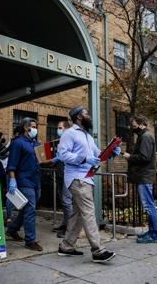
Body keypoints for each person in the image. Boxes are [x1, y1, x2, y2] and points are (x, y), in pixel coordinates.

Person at [57, 106, 118, 262]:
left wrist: (110, 152)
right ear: (78, 117)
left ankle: (66, 246)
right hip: (77, 178)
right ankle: (98, 251)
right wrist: (84, 159)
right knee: (89, 213)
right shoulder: (69, 134)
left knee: (77, 215)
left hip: (86, 178)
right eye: (86, 114)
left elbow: (98, 155)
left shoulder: (88, 136)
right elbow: (62, 155)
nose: (89, 116)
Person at [6, 118, 44, 251]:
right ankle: (30, 240)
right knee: (30, 209)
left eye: (35, 126)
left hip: (36, 181)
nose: (35, 129)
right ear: (25, 128)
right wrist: (12, 179)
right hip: (24, 180)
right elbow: (12, 163)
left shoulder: (35, 144)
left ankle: (12, 229)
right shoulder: (18, 143)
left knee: (26, 208)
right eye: (32, 126)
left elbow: (43, 160)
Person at [122, 114, 157, 243]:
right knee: (149, 206)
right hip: (144, 176)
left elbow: (144, 157)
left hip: (145, 176)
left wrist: (129, 157)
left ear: (141, 123)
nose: (132, 127)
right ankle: (151, 232)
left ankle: (153, 235)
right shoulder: (144, 136)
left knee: (149, 206)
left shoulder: (146, 137)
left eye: (133, 125)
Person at [50, 120, 73, 238]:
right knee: (63, 200)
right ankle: (65, 224)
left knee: (67, 200)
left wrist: (53, 160)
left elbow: (63, 156)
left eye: (59, 128)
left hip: (68, 174)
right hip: (60, 172)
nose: (57, 130)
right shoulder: (61, 141)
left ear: (66, 128)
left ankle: (70, 229)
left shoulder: (69, 139)